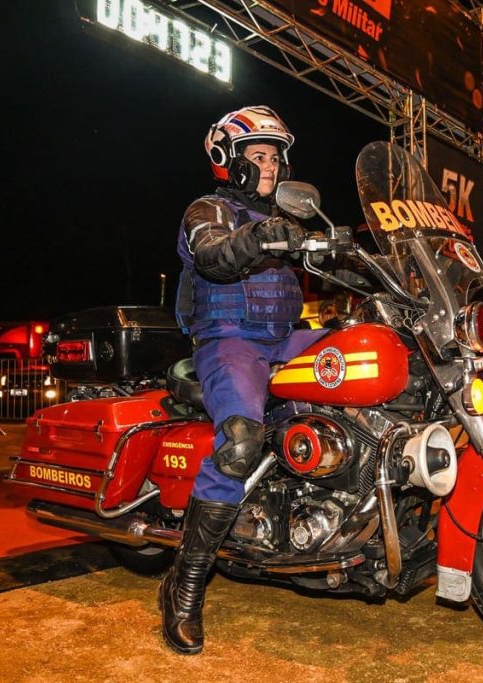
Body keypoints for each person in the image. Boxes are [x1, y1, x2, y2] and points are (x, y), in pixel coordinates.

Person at [166, 105, 327, 654]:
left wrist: (362, 255)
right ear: (227, 161)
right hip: (229, 340)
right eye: (258, 155)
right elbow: (212, 255)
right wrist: (259, 239)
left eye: (276, 157)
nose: (271, 166)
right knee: (240, 443)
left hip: (286, 339)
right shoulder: (208, 210)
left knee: (374, 353)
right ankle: (185, 584)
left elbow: (336, 264)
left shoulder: (289, 222)